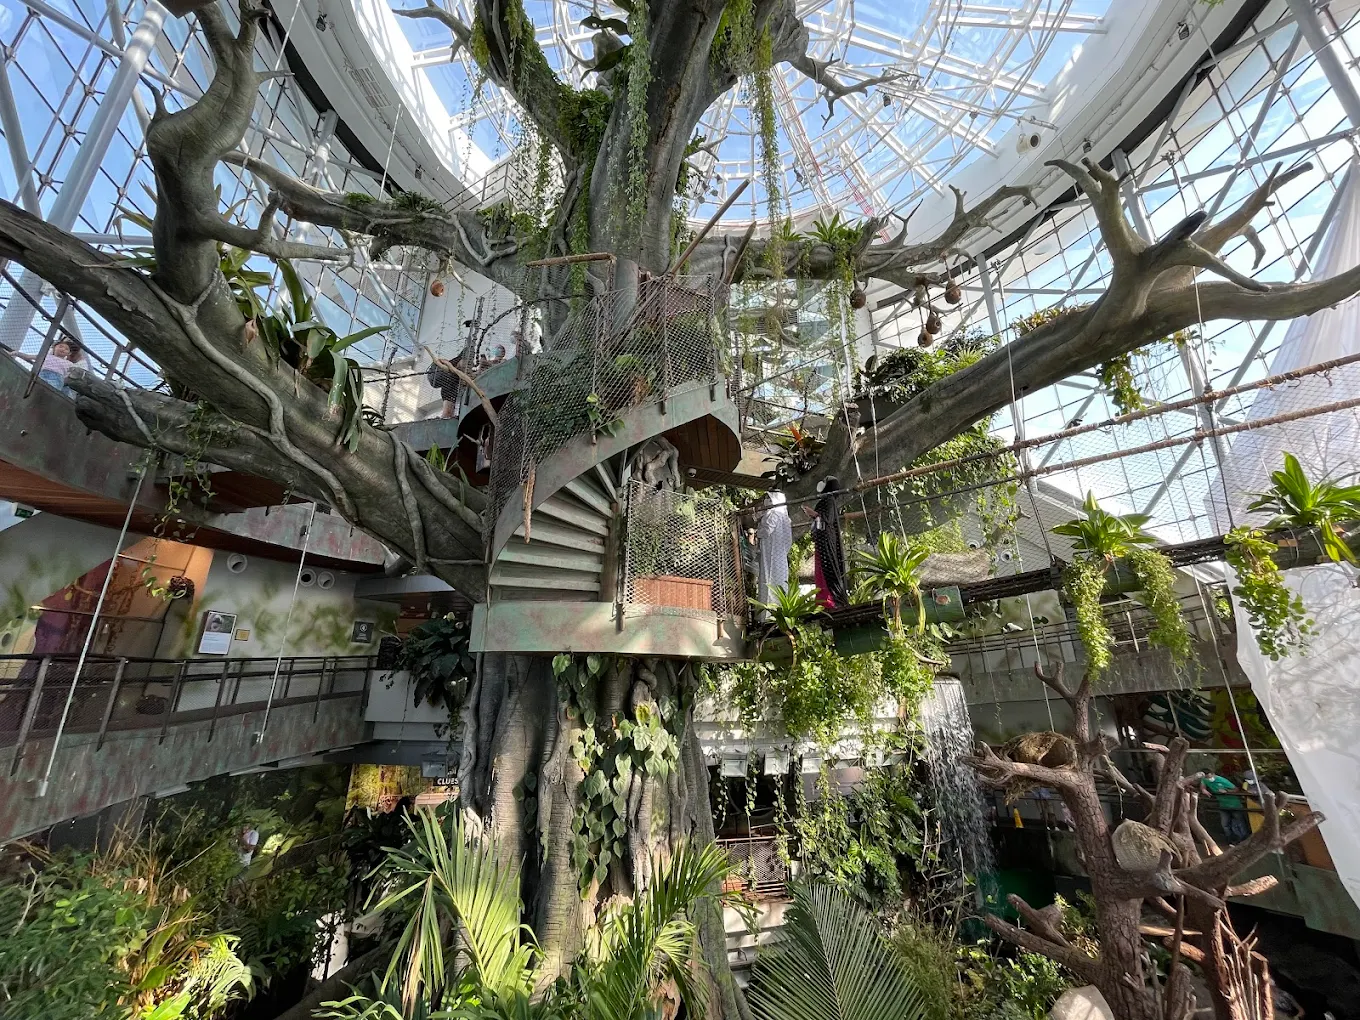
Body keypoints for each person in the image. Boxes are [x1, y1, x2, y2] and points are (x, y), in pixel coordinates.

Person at [805, 475, 849, 608]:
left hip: (825, 541)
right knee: (821, 571)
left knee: (826, 570)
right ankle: (823, 600)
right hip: (822, 541)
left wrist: (814, 514)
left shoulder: (829, 501)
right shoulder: (826, 500)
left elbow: (826, 520)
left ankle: (829, 600)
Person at [755, 492, 792, 606]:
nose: (767, 501)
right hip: (780, 554)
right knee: (779, 582)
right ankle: (779, 610)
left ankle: (768, 614)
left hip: (770, 551)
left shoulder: (773, 513)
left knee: (768, 580)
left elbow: (766, 531)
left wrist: (757, 532)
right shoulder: (784, 515)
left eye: (769, 498)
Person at [14, 335, 84, 395]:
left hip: (57, 378)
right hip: (42, 374)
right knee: (35, 387)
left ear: (69, 353)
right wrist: (16, 353)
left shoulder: (69, 364)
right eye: (61, 346)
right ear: (54, 348)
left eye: (66, 349)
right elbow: (29, 356)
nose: (63, 349)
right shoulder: (46, 356)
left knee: (50, 391)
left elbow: (77, 372)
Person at [1200, 769, 1250, 843]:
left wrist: (1226, 791)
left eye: (1208, 776)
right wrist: (1203, 790)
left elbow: (1236, 789)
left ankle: (1244, 839)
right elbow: (1203, 785)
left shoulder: (1222, 780)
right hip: (1223, 805)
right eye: (1206, 777)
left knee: (1239, 822)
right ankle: (1230, 839)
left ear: (1212, 774)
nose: (1208, 779)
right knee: (1225, 824)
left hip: (1234, 804)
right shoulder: (1204, 779)